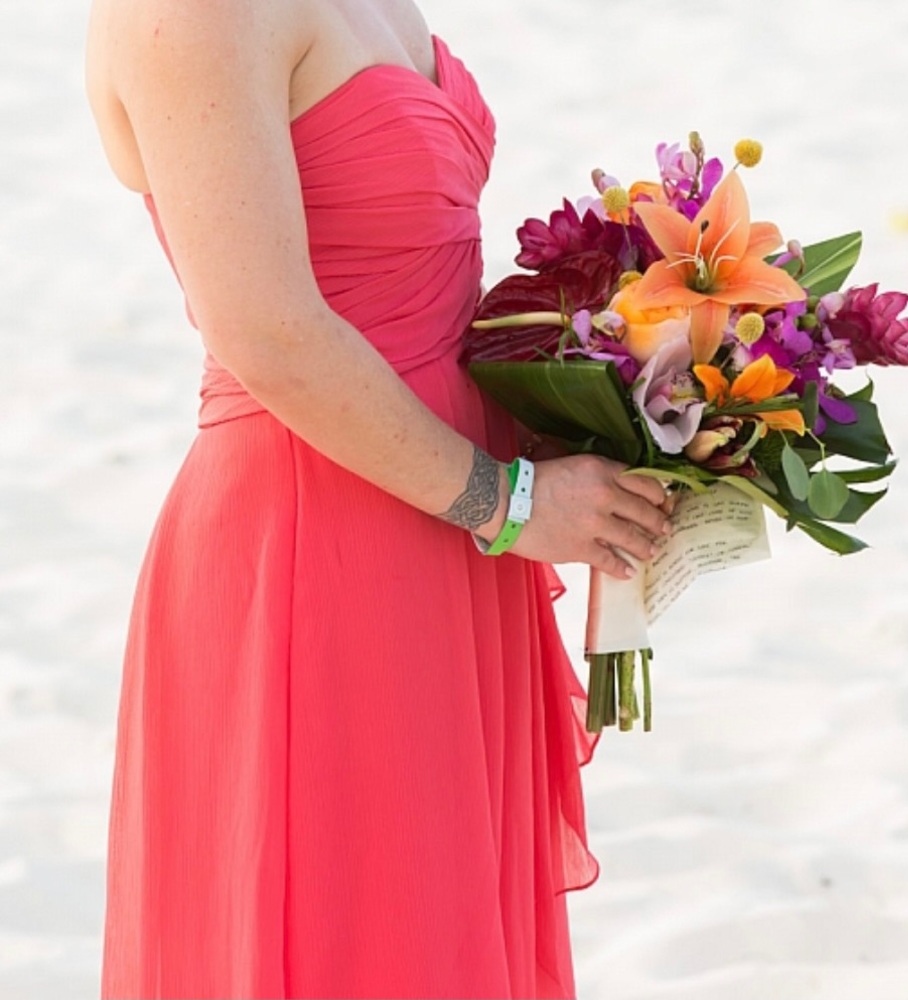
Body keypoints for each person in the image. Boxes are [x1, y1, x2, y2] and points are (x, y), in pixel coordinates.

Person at [86, 0, 672, 996]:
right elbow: (266, 332)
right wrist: (508, 501)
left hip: (450, 509)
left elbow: (422, 276)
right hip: (319, 531)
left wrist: (582, 403)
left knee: (440, 931)